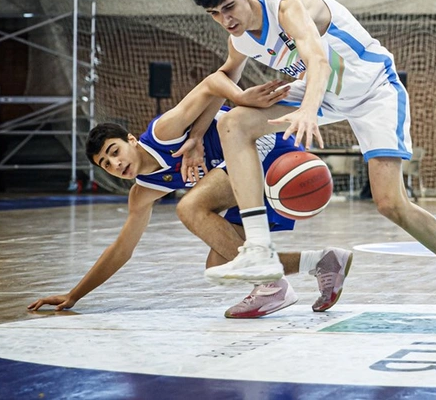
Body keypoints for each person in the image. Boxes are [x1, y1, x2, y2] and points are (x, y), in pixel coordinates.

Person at [189, 0, 436, 323]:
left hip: (373, 91)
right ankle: (258, 246)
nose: (227, 20)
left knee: (390, 203)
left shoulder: (289, 8)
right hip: (324, 94)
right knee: (234, 123)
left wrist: (308, 108)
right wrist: (196, 135)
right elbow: (220, 80)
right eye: (215, 13)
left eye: (230, 7)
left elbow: (318, 61)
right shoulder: (239, 40)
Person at [27, 74, 354, 317]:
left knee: (191, 206)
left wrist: (243, 100)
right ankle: (321, 261)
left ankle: (272, 285)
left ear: (130, 140)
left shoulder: (163, 132)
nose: (115, 163)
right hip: (238, 171)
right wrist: (75, 295)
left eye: (114, 151)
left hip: (260, 144)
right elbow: (121, 250)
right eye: (105, 164)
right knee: (220, 261)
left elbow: (213, 82)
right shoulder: (142, 193)